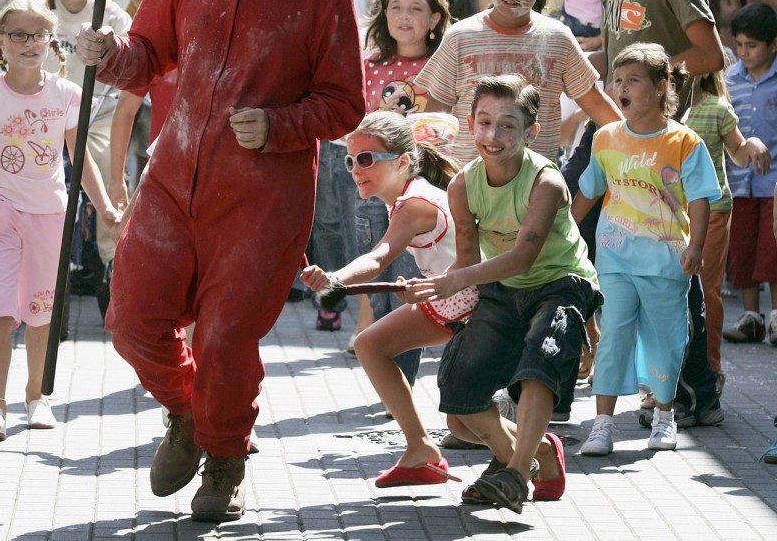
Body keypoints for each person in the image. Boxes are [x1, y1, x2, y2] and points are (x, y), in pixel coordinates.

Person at [75, 0, 364, 523]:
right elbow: (148, 55)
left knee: (228, 338)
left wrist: (280, 124)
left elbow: (345, 104)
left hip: (263, 202)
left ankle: (227, 457)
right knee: (132, 320)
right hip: (172, 182)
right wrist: (110, 54)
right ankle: (185, 412)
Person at [575, 0, 727, 430]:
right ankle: (641, 384)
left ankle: (695, 393)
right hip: (615, 142)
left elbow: (710, 50)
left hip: (666, 147)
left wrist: (656, 73)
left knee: (672, 277)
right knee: (609, 259)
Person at [407, 74, 598, 514]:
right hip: (502, 289)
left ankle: (513, 474)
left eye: (507, 126)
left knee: (537, 365)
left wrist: (588, 321)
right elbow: (467, 263)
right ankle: (536, 454)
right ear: (471, 123)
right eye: (485, 122)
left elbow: (523, 257)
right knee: (459, 398)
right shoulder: (462, 185)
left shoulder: (545, 181)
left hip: (561, 283)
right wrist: (426, 286)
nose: (493, 135)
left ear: (530, 132)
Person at [0, 0, 120, 441]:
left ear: (51, 41)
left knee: (42, 312)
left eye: (38, 35)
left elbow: (81, 159)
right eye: (18, 35)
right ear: (1, 42)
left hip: (50, 214)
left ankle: (37, 396)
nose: (29, 43)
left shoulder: (67, 95)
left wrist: (104, 205)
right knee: (1, 310)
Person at [301, 111, 473, 485]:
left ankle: (538, 451)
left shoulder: (414, 204)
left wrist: (335, 279)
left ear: (402, 162)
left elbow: (378, 257)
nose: (355, 169)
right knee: (370, 345)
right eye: (350, 160)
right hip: (453, 297)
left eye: (366, 159)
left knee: (469, 421)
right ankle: (421, 450)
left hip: (471, 302)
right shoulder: (406, 196)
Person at [575, 43, 720, 455]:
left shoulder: (684, 141)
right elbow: (587, 192)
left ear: (661, 87)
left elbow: (702, 198)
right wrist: (561, 231)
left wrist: (695, 246)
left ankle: (664, 416)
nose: (621, 87)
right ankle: (602, 425)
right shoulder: (605, 138)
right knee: (615, 334)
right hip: (615, 258)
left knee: (665, 339)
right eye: (617, 80)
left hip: (666, 261)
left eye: (633, 80)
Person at [0, 0, 131, 277]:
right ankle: (21, 257)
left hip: (97, 114)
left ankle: (113, 257)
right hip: (41, 113)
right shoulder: (38, 9)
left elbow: (132, 56)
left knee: (106, 166)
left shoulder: (111, 12)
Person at [415, 0, 620, 165]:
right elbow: (436, 116)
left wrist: (636, 143)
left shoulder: (557, 38)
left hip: (537, 185)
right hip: (467, 183)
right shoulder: (460, 37)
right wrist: (429, 174)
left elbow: (593, 101)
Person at [342, 0, 451, 364]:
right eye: (396, 8)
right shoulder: (369, 63)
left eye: (416, 9)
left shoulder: (444, 63)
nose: (405, 17)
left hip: (420, 189)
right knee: (374, 268)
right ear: (383, 14)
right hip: (372, 185)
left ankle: (400, 365)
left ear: (435, 17)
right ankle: (379, 346)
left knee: (407, 277)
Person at [684, 63, 770, 390]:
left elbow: (737, 151)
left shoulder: (717, 109)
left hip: (713, 210)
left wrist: (752, 145)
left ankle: (709, 369)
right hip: (668, 212)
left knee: (706, 291)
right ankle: (666, 379)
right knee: (664, 293)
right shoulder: (662, 109)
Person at [720, 4, 777, 346]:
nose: (743, 52)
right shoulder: (729, 82)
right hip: (739, 182)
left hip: (774, 185)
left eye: (752, 45)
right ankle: (751, 318)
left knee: (773, 248)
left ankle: (775, 319)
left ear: (773, 44)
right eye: (739, 45)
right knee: (742, 249)